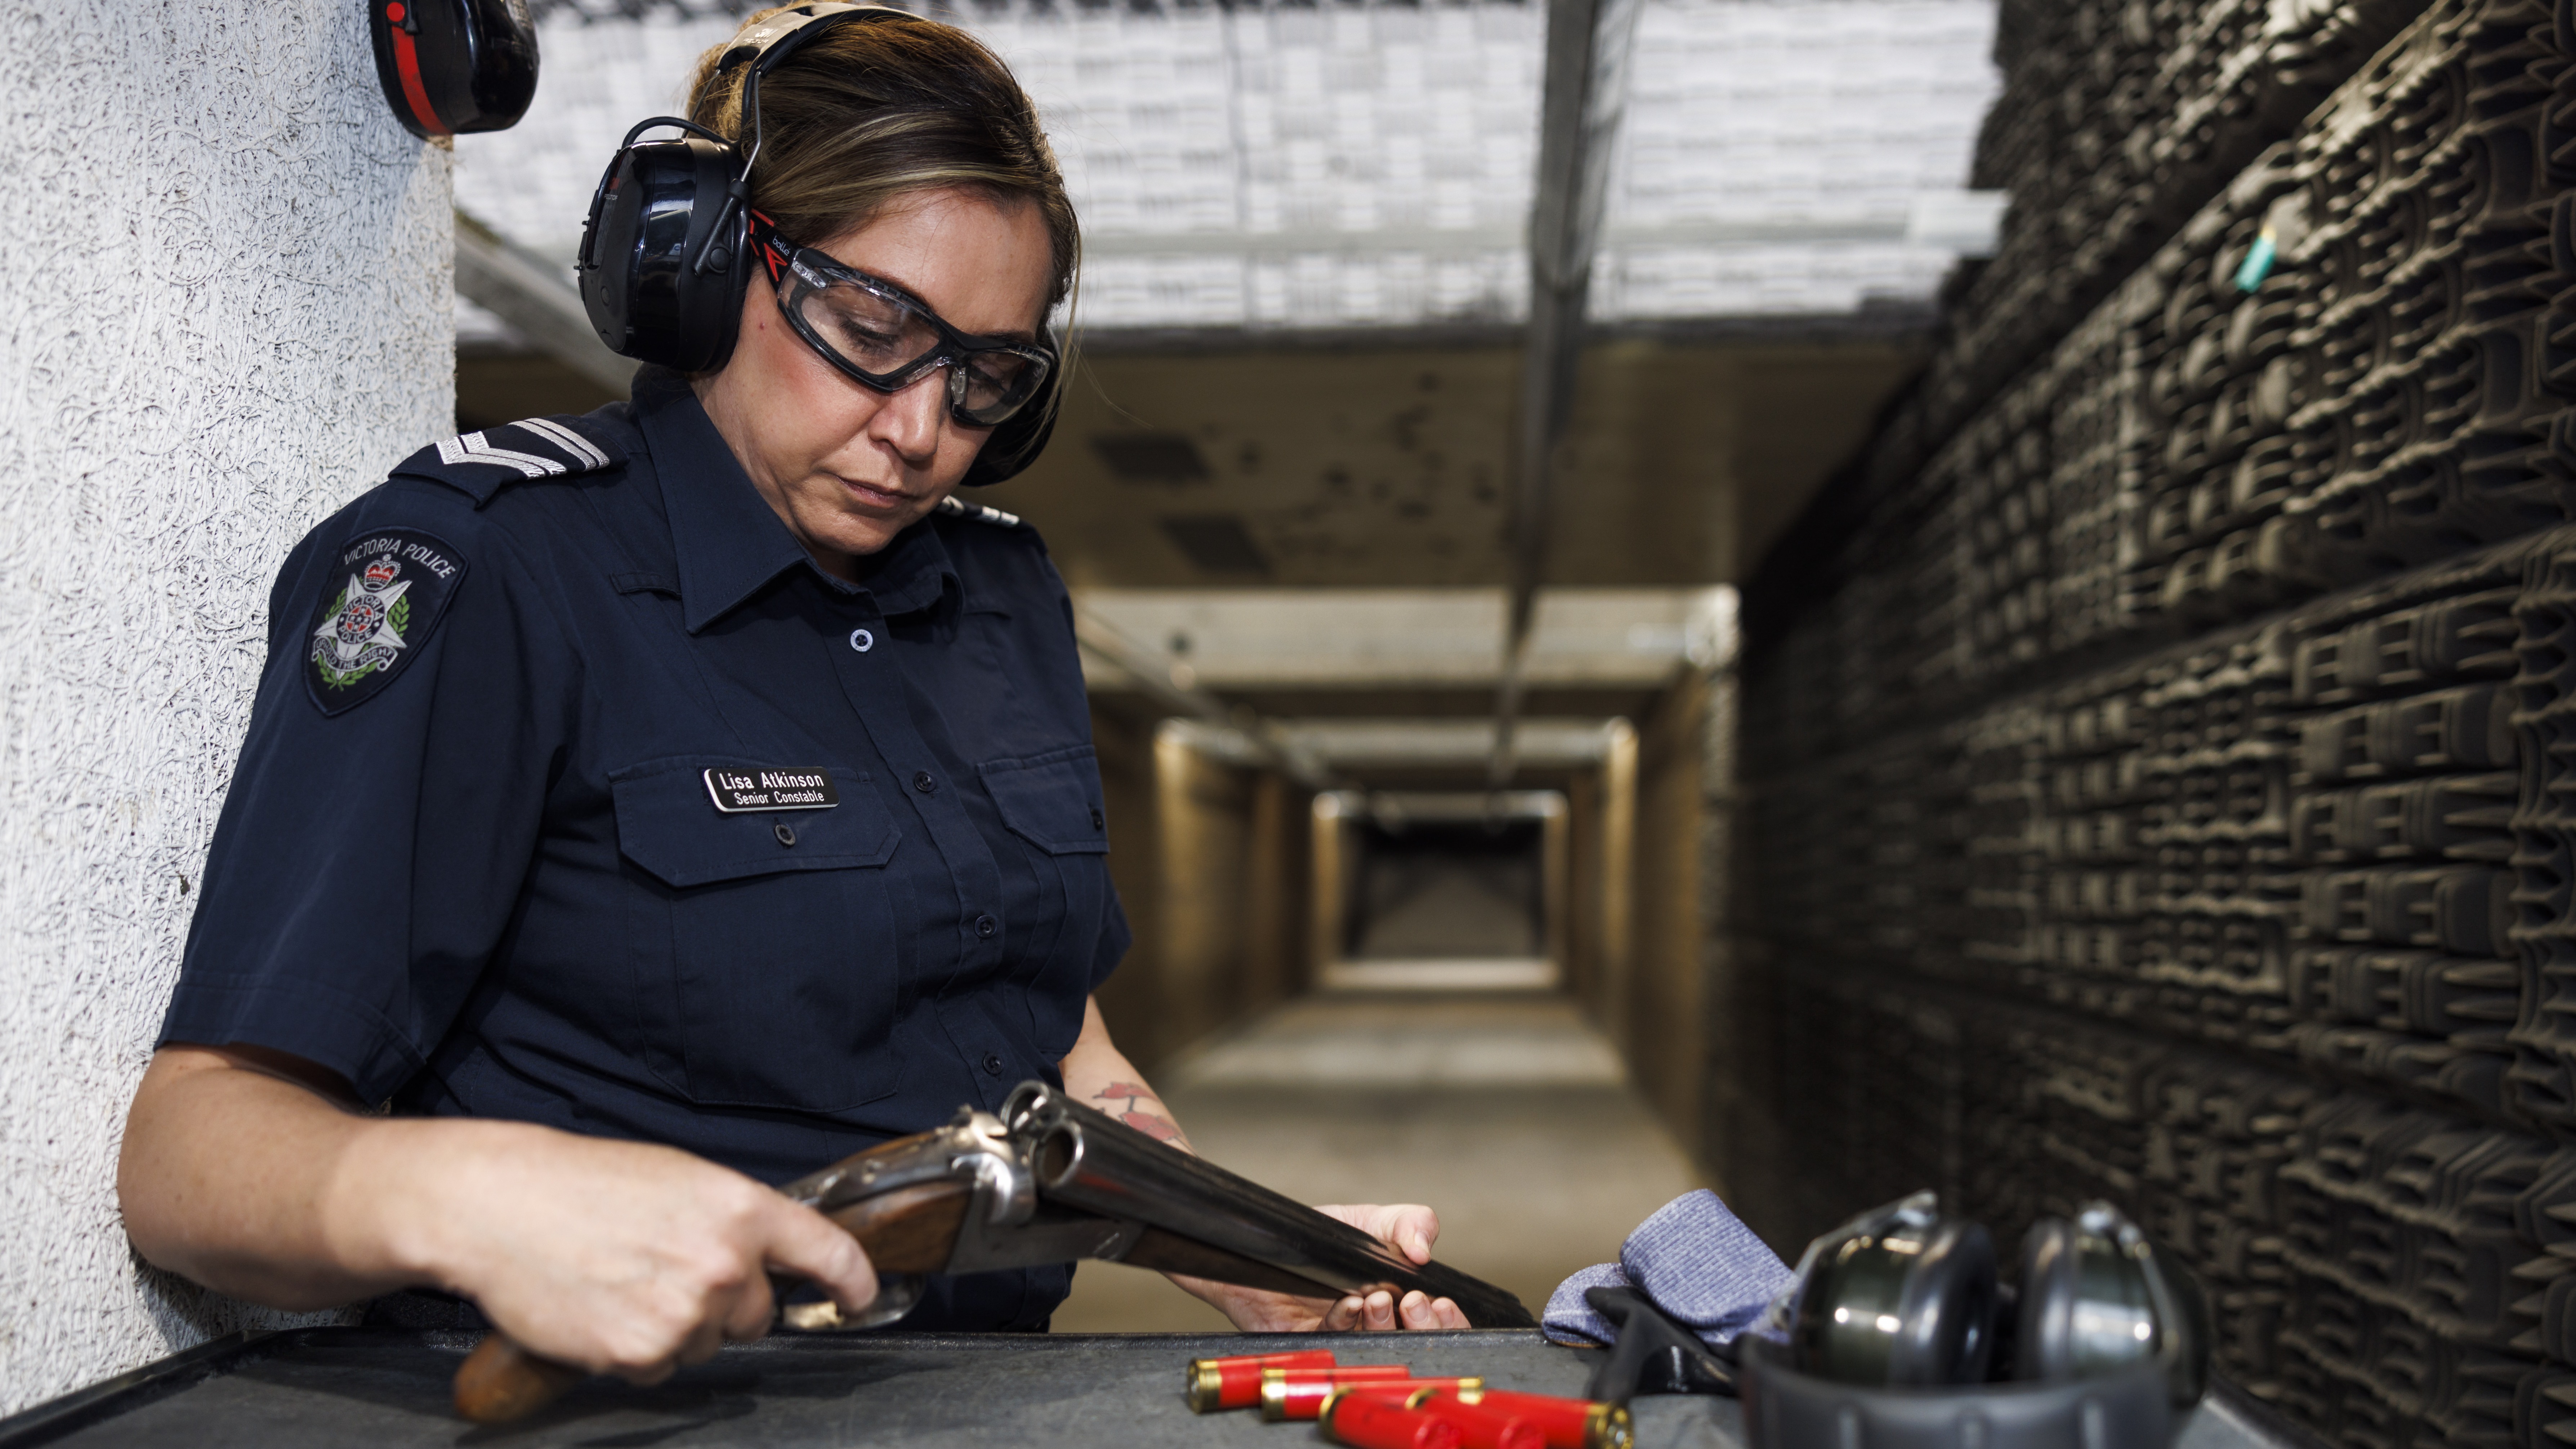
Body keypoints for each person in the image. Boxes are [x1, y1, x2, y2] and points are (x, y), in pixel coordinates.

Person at [117, 3, 1468, 1387]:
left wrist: (1261, 1259)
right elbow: (192, 1149)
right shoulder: (489, 572)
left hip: (993, 1399)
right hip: (613, 1411)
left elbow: (1058, 1044)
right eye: (872, 323)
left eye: (986, 375)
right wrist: (473, 1196)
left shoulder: (1003, 596)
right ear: (700, 266)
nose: (921, 430)